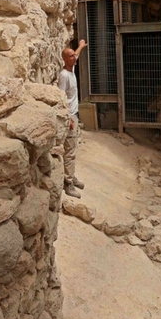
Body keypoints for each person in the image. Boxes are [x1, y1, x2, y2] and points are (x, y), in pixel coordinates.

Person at [58, 39, 88, 199]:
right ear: (64, 59)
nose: (74, 58)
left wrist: (81, 45)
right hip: (70, 117)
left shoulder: (72, 69)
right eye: (70, 56)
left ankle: (71, 176)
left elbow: (76, 54)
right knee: (69, 152)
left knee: (73, 149)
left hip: (75, 115)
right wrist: (68, 118)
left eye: (74, 56)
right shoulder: (64, 76)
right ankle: (68, 183)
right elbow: (60, 97)